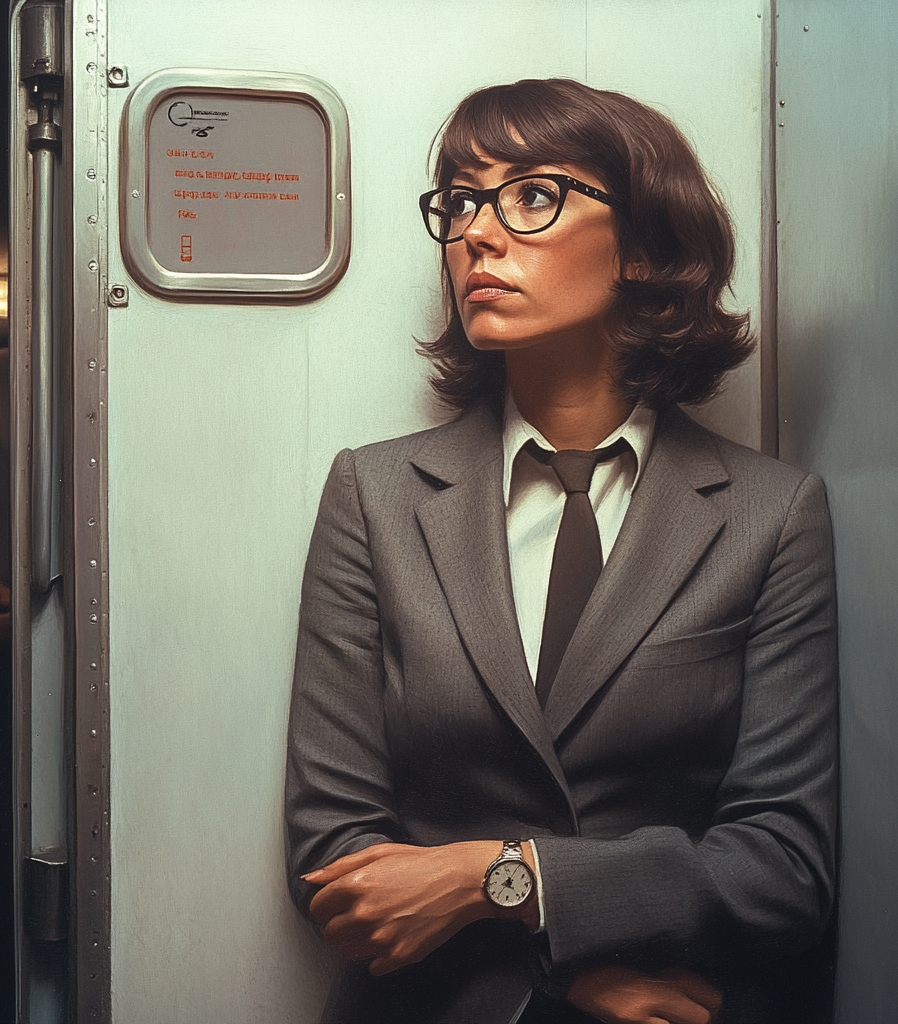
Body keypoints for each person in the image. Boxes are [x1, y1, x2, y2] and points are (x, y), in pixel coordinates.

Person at [285, 79, 837, 1024]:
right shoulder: (374, 496)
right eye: (459, 201)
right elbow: (335, 855)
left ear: (642, 242)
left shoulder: (771, 514)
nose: (476, 236)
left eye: (531, 195)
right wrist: (568, 974)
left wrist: (492, 876)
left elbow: (783, 864)